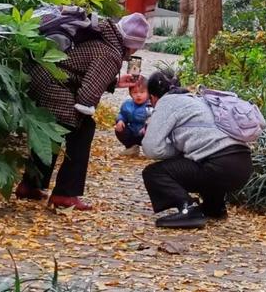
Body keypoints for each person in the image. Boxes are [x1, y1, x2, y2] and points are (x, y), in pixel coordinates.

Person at [15, 12, 150, 211]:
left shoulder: (102, 35)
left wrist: (113, 82)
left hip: (39, 75)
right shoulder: (111, 53)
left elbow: (79, 67)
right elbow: (88, 94)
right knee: (82, 129)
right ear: (133, 44)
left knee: (52, 129)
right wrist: (86, 110)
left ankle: (30, 184)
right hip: (53, 82)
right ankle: (65, 194)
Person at [141, 71, 253, 229]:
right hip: (243, 165)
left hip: (219, 165)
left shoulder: (167, 102)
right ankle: (214, 208)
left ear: (153, 97)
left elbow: (151, 148)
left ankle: (189, 209)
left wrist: (177, 152)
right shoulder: (197, 100)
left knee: (153, 173)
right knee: (202, 160)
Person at [115, 79, 151, 157]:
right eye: (135, 92)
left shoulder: (150, 105)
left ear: (148, 93)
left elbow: (154, 119)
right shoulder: (127, 104)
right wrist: (120, 120)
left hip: (145, 134)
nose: (138, 95)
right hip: (132, 131)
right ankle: (131, 147)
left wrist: (147, 127)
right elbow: (122, 114)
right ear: (130, 94)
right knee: (119, 129)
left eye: (142, 92)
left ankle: (150, 150)